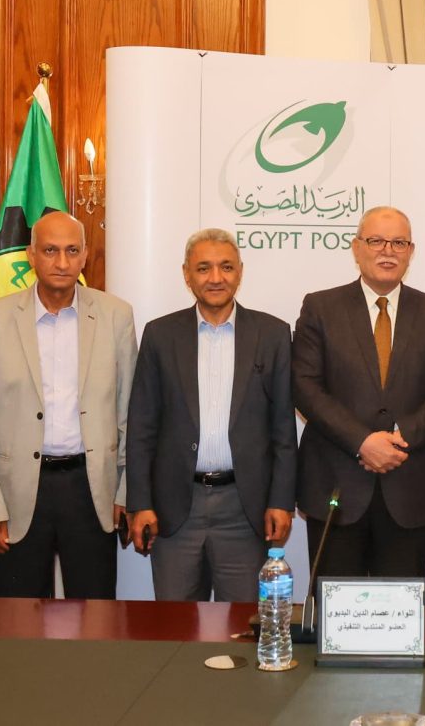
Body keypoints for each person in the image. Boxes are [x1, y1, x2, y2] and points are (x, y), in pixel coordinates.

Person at [0, 211, 137, 598]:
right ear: (30, 255)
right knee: (17, 619)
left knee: (95, 616)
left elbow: (129, 412)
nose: (62, 262)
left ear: (85, 256)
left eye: (72, 251)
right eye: (50, 250)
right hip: (17, 491)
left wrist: (125, 492)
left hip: (91, 489)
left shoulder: (116, 316)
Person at [124, 229, 297, 601]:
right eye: (203, 268)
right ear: (186, 274)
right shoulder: (160, 335)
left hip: (245, 509)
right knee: (176, 626)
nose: (216, 278)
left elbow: (283, 429)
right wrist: (140, 503)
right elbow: (141, 428)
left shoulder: (272, 334)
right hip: (175, 509)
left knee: (243, 623)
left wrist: (282, 501)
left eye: (226, 267)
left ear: (240, 272)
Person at [291, 206, 425, 583]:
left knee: (402, 612)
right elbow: (305, 386)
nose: (388, 251)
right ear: (356, 248)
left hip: (409, 489)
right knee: (335, 613)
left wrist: (402, 437)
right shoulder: (320, 307)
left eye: (399, 243)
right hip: (336, 488)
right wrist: (362, 441)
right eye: (376, 241)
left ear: (411, 251)